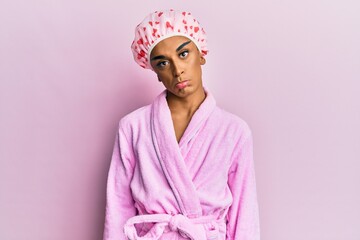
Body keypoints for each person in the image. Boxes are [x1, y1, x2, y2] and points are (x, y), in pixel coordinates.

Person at [103, 9, 260, 240]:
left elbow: (244, 216)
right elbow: (118, 208)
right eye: (163, 63)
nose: (177, 70)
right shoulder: (133, 127)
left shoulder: (234, 131)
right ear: (155, 71)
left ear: (201, 54)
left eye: (184, 54)